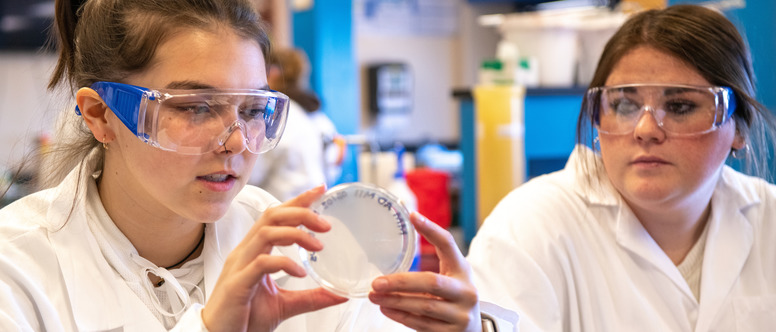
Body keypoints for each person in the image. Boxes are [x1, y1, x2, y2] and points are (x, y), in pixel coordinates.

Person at [0, 0, 491, 331]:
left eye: (254, 110)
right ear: (101, 116)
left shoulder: (295, 246)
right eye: (194, 107)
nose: (236, 140)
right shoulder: (17, 268)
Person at [467, 4, 776, 332]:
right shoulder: (530, 225)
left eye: (680, 106)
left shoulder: (769, 220)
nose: (645, 129)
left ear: (739, 128)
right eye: (624, 105)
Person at [249, 47, 344, 201]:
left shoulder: (274, 117)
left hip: (279, 208)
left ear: (273, 72)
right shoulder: (319, 118)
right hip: (316, 207)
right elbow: (332, 167)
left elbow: (253, 174)